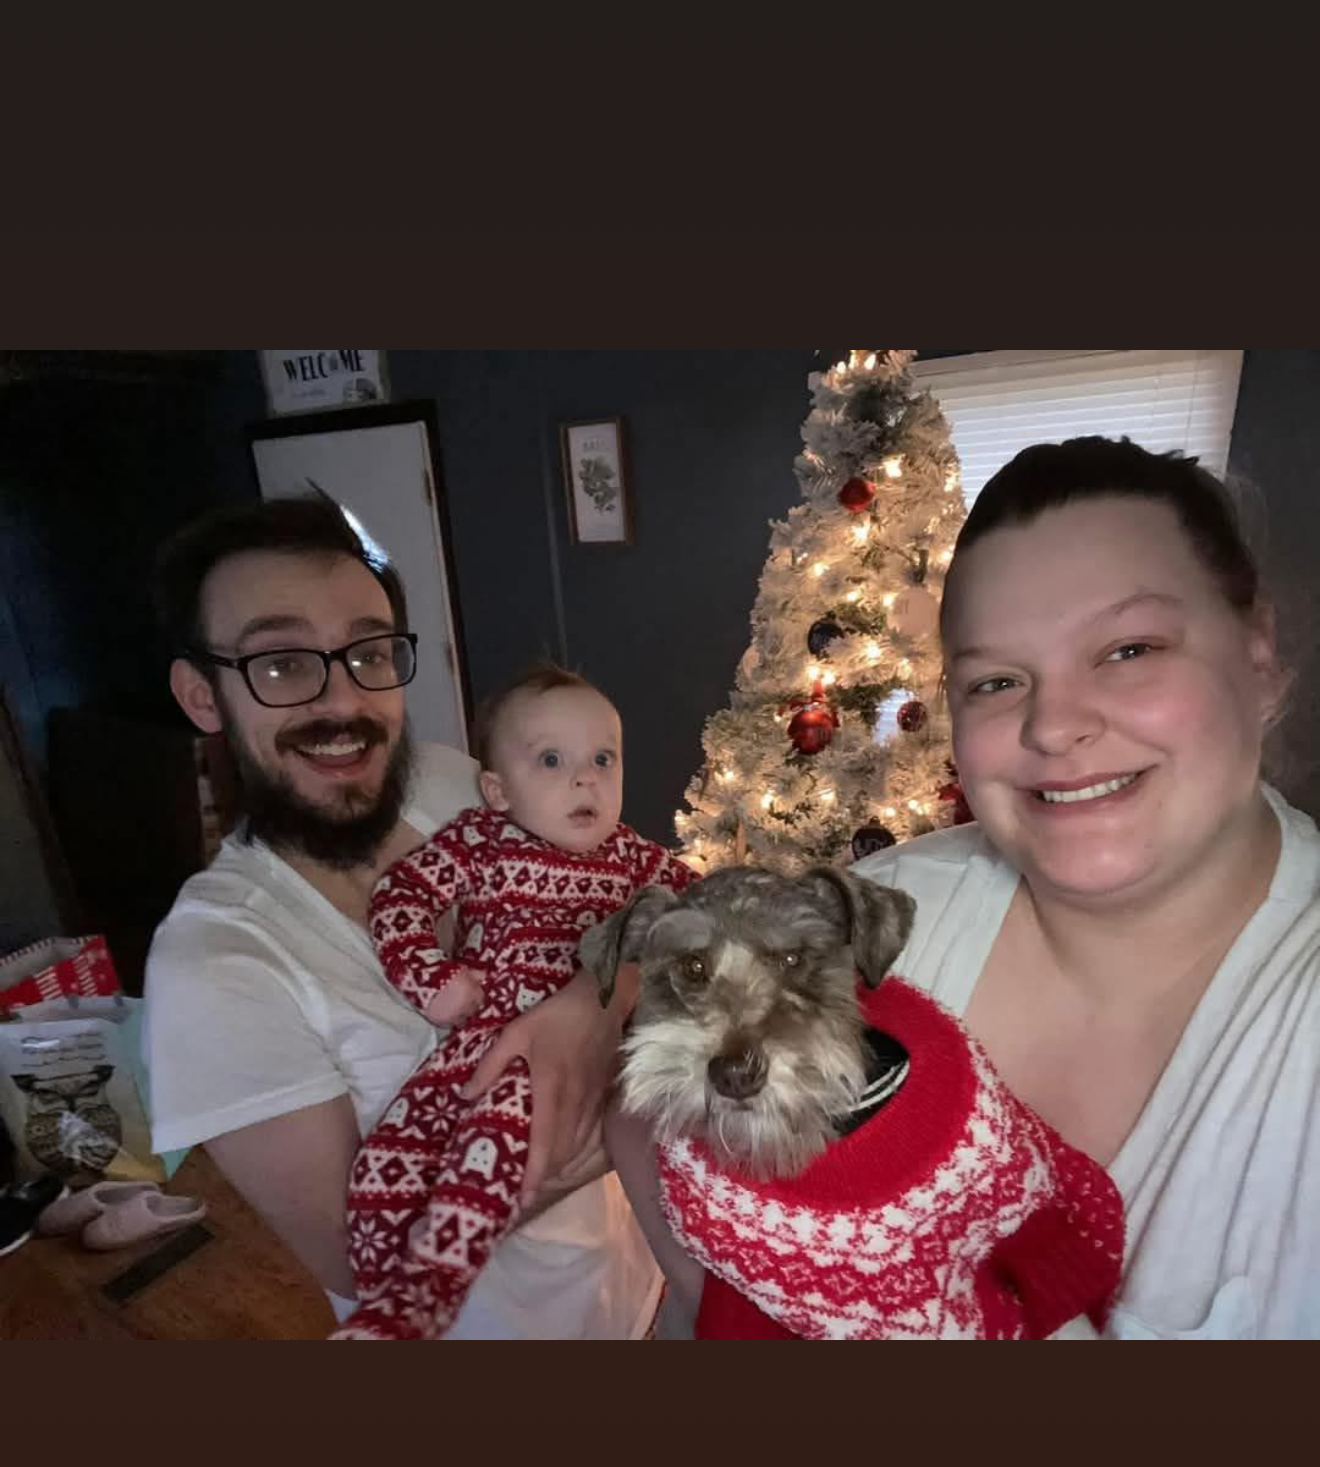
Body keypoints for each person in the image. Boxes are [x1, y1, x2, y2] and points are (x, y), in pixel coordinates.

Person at [608, 436, 1320, 1340]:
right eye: (997, 680)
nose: (1054, 725)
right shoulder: (876, 911)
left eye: (1129, 649)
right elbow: (644, 1091)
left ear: (1257, 651)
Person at [142, 498, 659, 1339]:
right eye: (283, 663)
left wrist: (596, 1001)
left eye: (369, 653)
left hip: (639, 1284)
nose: (344, 700)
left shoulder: (455, 783)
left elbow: (632, 893)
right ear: (203, 695)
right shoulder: (213, 967)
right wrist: (616, 1107)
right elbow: (361, 1261)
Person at [338, 664, 690, 1338]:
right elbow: (401, 897)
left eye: (603, 759)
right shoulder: (480, 840)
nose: (585, 780)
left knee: (496, 1138)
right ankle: (383, 1297)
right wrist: (430, 979)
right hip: (482, 1040)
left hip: (574, 1061)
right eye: (552, 760)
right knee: (391, 1159)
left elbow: (705, 904)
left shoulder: (633, 858)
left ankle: (423, 1297)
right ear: (498, 790)